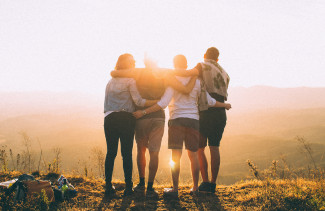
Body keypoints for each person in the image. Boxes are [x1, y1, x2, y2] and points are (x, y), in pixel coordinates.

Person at [133, 55, 231, 197]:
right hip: (193, 120)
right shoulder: (197, 81)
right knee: (193, 156)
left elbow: (163, 103)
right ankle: (196, 187)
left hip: (176, 120)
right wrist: (225, 105)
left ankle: (175, 189)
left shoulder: (172, 80)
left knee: (175, 156)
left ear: (174, 64)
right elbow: (209, 101)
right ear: (186, 65)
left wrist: (144, 111)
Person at [110, 58, 197, 198]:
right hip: (158, 117)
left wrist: (114, 71)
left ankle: (141, 183)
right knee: (154, 152)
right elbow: (184, 83)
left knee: (141, 150)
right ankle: (150, 187)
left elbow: (114, 73)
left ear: (145, 62)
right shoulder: (165, 73)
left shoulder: (137, 73)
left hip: (141, 116)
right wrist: (194, 72)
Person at [173, 47, 230, 193]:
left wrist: (169, 73)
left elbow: (187, 73)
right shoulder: (225, 73)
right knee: (215, 147)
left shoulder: (202, 65)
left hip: (205, 111)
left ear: (205, 55)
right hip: (220, 112)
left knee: (200, 148)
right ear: (218, 59)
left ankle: (204, 182)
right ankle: (213, 184)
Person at [103, 53, 157, 197]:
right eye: (132, 61)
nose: (134, 63)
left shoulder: (110, 81)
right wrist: (156, 102)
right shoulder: (130, 80)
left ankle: (108, 186)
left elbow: (106, 103)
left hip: (109, 118)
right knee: (126, 154)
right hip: (126, 118)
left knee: (111, 153)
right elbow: (139, 102)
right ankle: (128, 188)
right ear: (126, 64)